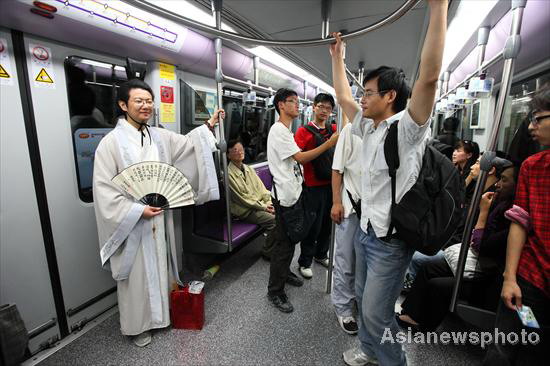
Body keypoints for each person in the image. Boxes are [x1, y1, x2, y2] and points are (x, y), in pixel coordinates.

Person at [330, 0, 448, 364]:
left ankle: (394, 360)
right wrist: (338, 56)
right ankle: (369, 350)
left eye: (369, 93)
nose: (362, 100)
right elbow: (342, 96)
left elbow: (428, 77)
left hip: (391, 241)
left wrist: (438, 8)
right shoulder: (368, 128)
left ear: (390, 96)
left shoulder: (408, 130)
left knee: (377, 313)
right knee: (367, 304)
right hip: (367, 231)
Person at [92, 79, 222, 347]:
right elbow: (104, 190)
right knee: (137, 275)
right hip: (133, 221)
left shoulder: (159, 136)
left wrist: (208, 127)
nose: (146, 106)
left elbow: (187, 146)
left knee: (161, 267)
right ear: (123, 105)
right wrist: (137, 210)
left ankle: (163, 317)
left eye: (149, 101)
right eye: (139, 101)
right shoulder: (110, 144)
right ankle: (138, 327)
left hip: (160, 218)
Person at [397, 162, 516, 331]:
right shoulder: (494, 200)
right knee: (428, 268)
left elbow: (480, 245)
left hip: (488, 272)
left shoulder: (508, 214)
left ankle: (423, 324)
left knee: (438, 284)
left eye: (504, 180)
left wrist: (483, 214)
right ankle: (410, 312)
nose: (498, 184)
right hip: (473, 256)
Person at [483, 84, 550, 365]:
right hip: (530, 280)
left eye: (538, 118)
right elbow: (520, 222)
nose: (531, 126)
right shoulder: (532, 167)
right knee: (507, 345)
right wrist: (511, 277)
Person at [267, 88, 338, 313]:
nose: (298, 105)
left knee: (291, 239)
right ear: (281, 105)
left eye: (298, 102)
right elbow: (301, 158)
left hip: (293, 192)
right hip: (285, 196)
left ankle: (285, 272)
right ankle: (275, 291)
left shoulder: (287, 131)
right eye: (293, 102)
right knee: (284, 244)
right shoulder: (278, 130)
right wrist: (329, 143)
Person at [294, 93, 337, 278]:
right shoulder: (303, 131)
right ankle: (305, 261)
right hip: (313, 185)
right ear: (313, 107)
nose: (324, 111)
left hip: (332, 184)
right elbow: (298, 158)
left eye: (328, 108)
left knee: (328, 224)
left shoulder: (335, 128)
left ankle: (321, 254)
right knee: (313, 225)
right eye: (321, 106)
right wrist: (327, 144)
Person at [330, 122, 362, 335]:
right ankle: (343, 307)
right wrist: (336, 202)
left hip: (377, 212)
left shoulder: (391, 128)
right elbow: (337, 169)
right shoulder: (350, 130)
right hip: (351, 207)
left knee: (366, 263)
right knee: (346, 260)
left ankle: (360, 300)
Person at [227, 138, 276, 259]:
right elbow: (243, 199)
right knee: (275, 221)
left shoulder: (248, 169)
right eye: (235, 150)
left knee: (280, 212)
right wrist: (265, 207)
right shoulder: (228, 174)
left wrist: (269, 203)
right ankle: (268, 251)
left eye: (241, 149)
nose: (239, 152)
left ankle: (276, 247)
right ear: (228, 155)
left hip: (258, 206)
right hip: (245, 210)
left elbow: (262, 189)